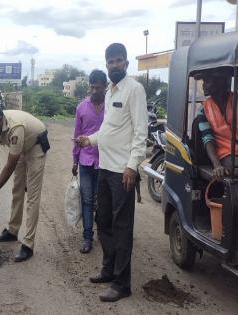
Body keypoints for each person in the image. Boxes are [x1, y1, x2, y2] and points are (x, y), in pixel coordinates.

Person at [77, 43, 147, 302]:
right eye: (110, 62)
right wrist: (90, 140)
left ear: (126, 63)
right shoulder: (109, 92)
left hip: (122, 172)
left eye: (119, 61)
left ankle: (122, 283)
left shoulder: (135, 90)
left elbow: (141, 132)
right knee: (103, 221)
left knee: (122, 227)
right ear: (106, 65)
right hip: (104, 168)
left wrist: (132, 165)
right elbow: (109, 129)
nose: (114, 65)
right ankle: (108, 270)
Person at [0, 106, 50, 262]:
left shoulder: (15, 127)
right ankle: (12, 231)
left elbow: (10, 166)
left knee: (32, 196)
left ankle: (28, 244)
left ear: (0, 120)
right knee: (17, 190)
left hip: (36, 145)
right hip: (21, 148)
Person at [72, 69, 107, 254]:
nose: (94, 91)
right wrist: (74, 161)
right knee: (86, 200)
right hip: (85, 162)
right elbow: (76, 136)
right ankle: (87, 237)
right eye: (92, 88)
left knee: (101, 200)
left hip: (105, 162)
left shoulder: (110, 108)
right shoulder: (81, 108)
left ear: (105, 88)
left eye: (98, 88)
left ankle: (103, 231)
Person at [196, 69, 238, 180]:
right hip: (226, 154)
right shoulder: (203, 109)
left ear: (220, 82)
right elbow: (207, 138)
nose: (203, 86)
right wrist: (217, 165)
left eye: (207, 81)